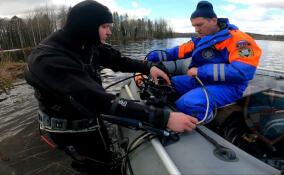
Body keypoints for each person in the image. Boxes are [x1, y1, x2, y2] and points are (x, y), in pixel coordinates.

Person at [24, 0, 198, 174]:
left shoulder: (87, 43)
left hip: (91, 118)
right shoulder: (49, 60)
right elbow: (97, 99)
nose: (110, 31)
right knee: (98, 167)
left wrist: (148, 67)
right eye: (105, 26)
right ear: (87, 26)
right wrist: (165, 118)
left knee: (107, 155)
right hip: (70, 131)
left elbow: (118, 61)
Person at [147, 1, 262, 123]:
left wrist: (199, 71)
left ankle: (209, 119)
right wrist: (150, 57)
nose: (196, 29)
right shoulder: (201, 40)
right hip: (203, 79)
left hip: (230, 86)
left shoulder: (239, 40)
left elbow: (243, 72)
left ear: (213, 20)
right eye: (194, 26)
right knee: (165, 84)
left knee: (187, 103)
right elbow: (175, 52)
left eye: (199, 25)